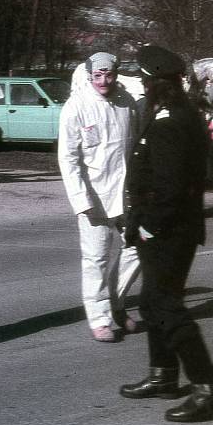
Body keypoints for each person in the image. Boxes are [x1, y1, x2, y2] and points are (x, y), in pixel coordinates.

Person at [120, 44, 213, 422]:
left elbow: (170, 185)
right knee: (151, 304)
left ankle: (207, 389)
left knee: (167, 307)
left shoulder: (171, 121)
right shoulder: (175, 113)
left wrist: (149, 226)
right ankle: (163, 375)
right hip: (168, 226)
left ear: (155, 83)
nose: (142, 86)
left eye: (145, 80)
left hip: (169, 229)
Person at [58, 52, 140, 342]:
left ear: (116, 74)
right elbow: (67, 159)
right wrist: (82, 200)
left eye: (109, 75)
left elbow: (135, 148)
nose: (104, 81)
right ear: (89, 76)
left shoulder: (127, 103)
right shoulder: (76, 106)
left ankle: (116, 303)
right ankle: (100, 319)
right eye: (98, 76)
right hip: (94, 196)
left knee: (138, 246)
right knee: (96, 259)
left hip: (126, 193)